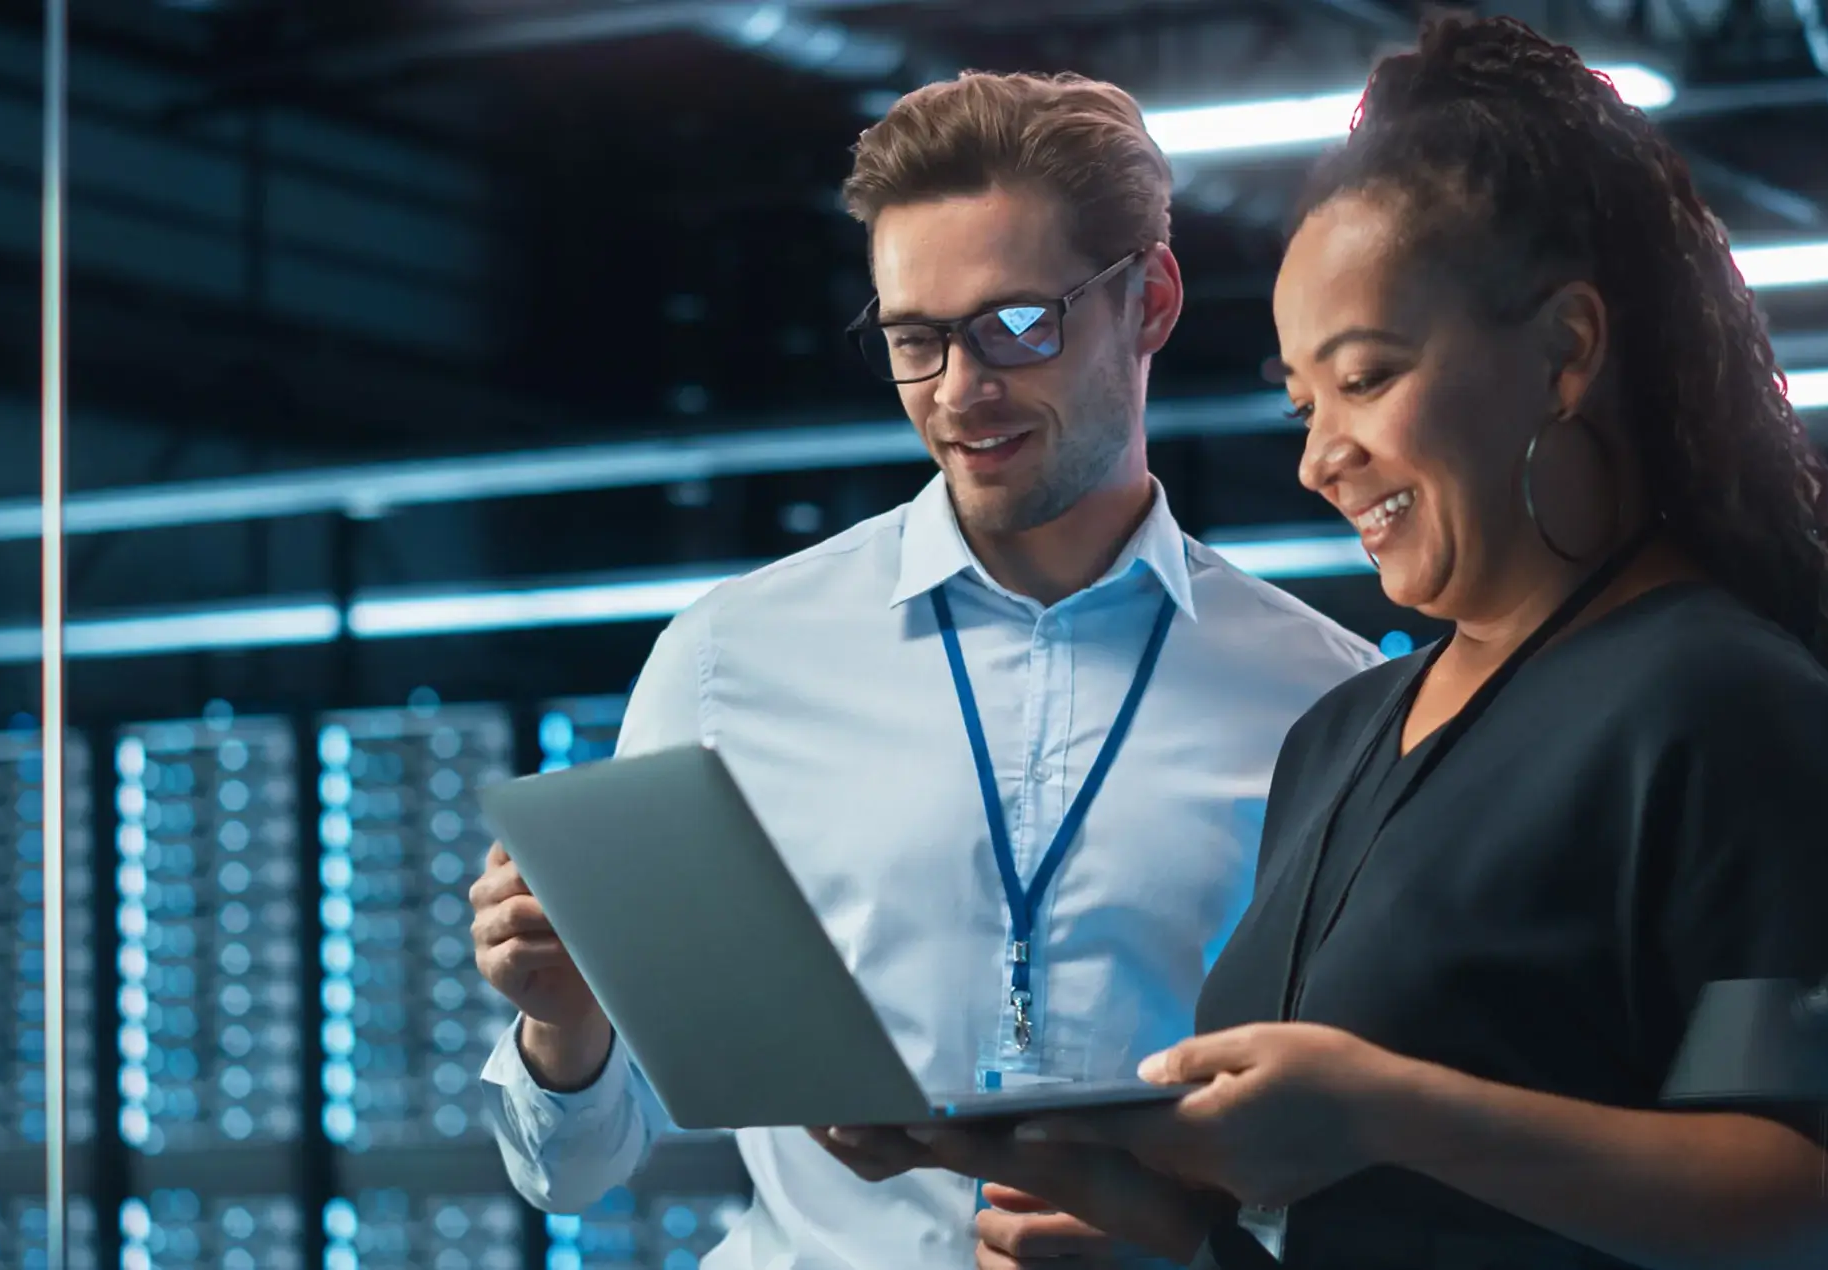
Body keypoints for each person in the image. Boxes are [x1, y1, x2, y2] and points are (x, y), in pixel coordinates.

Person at [862, 15, 1828, 1269]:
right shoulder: (1341, 735)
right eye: (1301, 400)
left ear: (1563, 351)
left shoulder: (1723, 709)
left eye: (1369, 376)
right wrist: (1148, 1231)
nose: (1318, 454)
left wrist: (1388, 1110)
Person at [470, 69, 1385, 1269]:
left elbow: (1369, 1162)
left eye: (1014, 324)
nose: (959, 391)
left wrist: (1195, 1241)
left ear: (1149, 300)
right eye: (914, 340)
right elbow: (572, 1168)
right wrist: (564, 1022)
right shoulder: (726, 662)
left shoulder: (1335, 701)